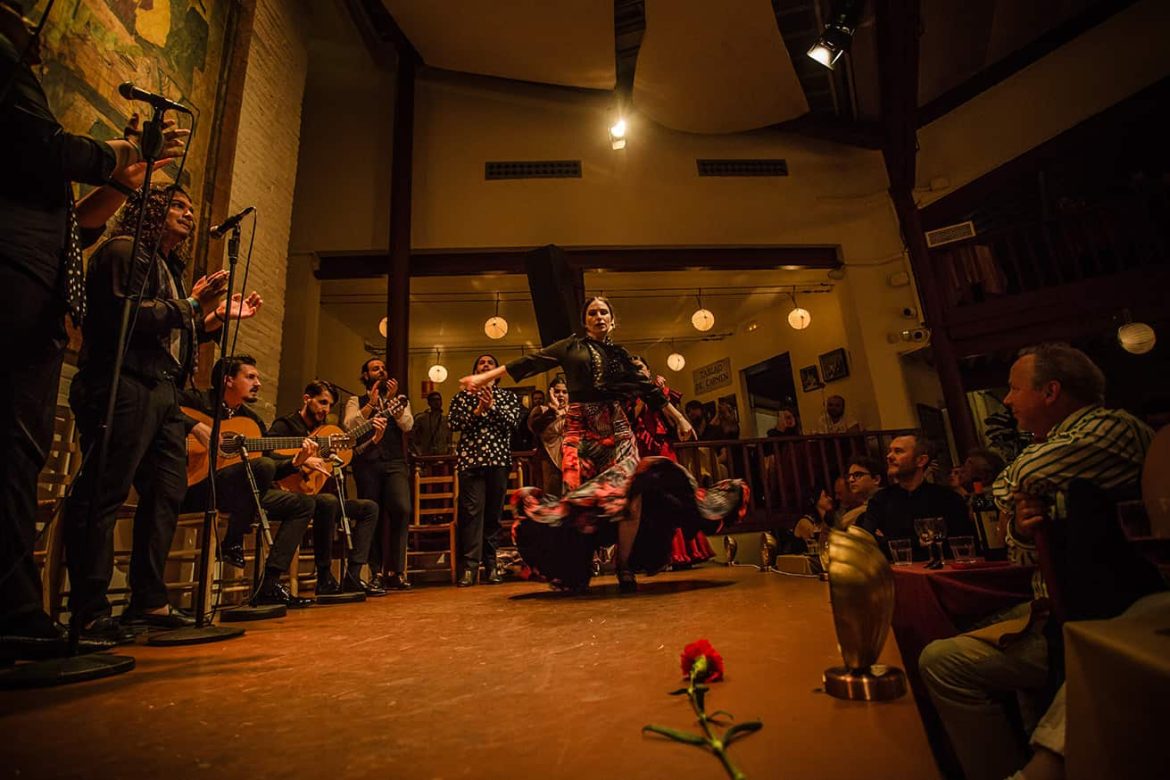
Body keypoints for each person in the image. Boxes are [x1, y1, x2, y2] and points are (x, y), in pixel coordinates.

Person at [0, 0, 190, 654]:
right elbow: (41, 148)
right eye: (27, 25)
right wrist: (115, 155)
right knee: (60, 477)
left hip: (48, 305)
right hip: (95, 359)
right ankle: (39, 613)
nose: (38, 37)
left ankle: (26, 613)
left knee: (19, 458)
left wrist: (124, 173)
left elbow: (77, 227)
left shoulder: (127, 247)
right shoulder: (13, 100)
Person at [919, 343, 1154, 780]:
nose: (1006, 400)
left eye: (1013, 389)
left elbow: (1011, 480)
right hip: (1056, 614)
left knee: (945, 658)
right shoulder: (1057, 446)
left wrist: (1013, 495)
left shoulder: (1112, 428)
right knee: (943, 645)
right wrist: (1023, 528)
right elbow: (1021, 548)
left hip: (1109, 620)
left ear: (1050, 391)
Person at [60, 184, 263, 642]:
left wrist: (210, 321)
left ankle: (148, 600)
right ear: (148, 210)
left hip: (164, 391)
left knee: (167, 492)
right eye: (176, 205)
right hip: (122, 384)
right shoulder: (124, 250)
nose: (188, 214)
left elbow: (169, 334)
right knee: (103, 494)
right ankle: (89, 610)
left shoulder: (167, 266)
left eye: (191, 207)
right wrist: (193, 305)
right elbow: (127, 317)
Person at [462, 297, 747, 593]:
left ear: (612, 320)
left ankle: (624, 567)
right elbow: (529, 362)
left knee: (630, 497)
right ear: (585, 320)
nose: (598, 316)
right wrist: (485, 376)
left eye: (603, 312)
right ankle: (578, 566)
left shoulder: (621, 356)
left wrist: (678, 418)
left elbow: (647, 388)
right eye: (592, 312)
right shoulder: (569, 347)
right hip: (580, 431)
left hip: (617, 430)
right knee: (576, 500)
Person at [182, 356, 315, 609]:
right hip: (198, 485)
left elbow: (268, 464)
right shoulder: (196, 401)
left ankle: (270, 583)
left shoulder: (252, 421)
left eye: (257, 377)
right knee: (262, 467)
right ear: (228, 380)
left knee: (303, 504)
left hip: (242, 496)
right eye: (250, 377)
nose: (258, 383)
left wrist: (295, 463)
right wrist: (196, 427)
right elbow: (166, 412)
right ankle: (233, 539)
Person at [268, 380, 385, 597]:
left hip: (319, 498)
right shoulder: (285, 425)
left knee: (369, 507)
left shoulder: (328, 432)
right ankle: (324, 576)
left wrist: (374, 440)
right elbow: (268, 455)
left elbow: (347, 456)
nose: (326, 409)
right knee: (328, 501)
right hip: (294, 495)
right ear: (307, 399)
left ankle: (352, 575)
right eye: (322, 402)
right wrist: (302, 461)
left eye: (330, 405)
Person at [625, 356, 712, 568]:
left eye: (640, 368)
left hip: (663, 449)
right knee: (646, 502)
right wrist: (647, 393)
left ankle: (682, 554)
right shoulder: (628, 395)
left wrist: (661, 395)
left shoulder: (661, 392)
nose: (637, 372)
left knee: (673, 496)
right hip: (639, 451)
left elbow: (675, 420)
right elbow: (630, 418)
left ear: (648, 370)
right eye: (633, 369)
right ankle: (653, 557)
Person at [448, 353, 522, 587]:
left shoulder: (507, 397)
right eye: (481, 363)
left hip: (498, 461)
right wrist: (478, 410)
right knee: (471, 514)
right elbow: (453, 424)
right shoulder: (462, 397)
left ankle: (491, 566)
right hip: (471, 462)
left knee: (493, 515)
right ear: (475, 371)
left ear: (495, 373)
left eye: (490, 363)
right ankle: (470, 568)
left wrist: (491, 407)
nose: (486, 365)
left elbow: (514, 423)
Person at [343, 358, 413, 591]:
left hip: (395, 462)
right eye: (375, 368)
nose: (381, 371)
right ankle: (376, 572)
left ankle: (398, 570)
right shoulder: (356, 400)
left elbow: (407, 425)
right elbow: (349, 426)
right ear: (365, 375)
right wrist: (371, 405)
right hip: (367, 464)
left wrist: (393, 402)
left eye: (383, 368)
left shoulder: (399, 400)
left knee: (402, 509)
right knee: (371, 514)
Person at [860, 434, 973, 560]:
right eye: (889, 451)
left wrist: (888, 540)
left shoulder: (948, 498)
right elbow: (868, 542)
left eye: (898, 451)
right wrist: (918, 542)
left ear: (921, 460)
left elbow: (960, 543)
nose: (889, 457)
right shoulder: (880, 499)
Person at [528, 375, 568, 497]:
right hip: (547, 459)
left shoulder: (574, 409)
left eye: (564, 392)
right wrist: (553, 411)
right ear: (550, 393)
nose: (560, 395)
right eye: (557, 391)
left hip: (571, 459)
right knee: (551, 497)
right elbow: (535, 427)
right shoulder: (541, 410)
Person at [840, 455, 883, 528]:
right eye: (849, 476)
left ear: (876, 479)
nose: (851, 480)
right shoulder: (861, 508)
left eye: (857, 475)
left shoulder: (886, 501)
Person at [411, 390, 451, 456]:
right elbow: (413, 437)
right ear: (429, 402)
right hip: (426, 454)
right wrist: (418, 452)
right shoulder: (421, 419)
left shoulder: (445, 420)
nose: (436, 402)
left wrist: (449, 451)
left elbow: (449, 438)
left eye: (438, 399)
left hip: (442, 454)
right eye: (433, 400)